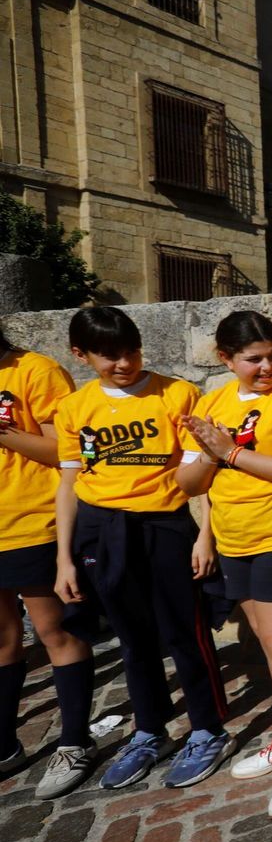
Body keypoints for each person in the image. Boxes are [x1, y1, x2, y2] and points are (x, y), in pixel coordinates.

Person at [53, 307, 234, 789]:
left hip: (164, 525)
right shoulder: (75, 408)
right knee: (132, 640)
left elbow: (206, 474)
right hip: (100, 530)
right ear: (80, 355)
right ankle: (150, 730)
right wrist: (63, 557)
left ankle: (207, 730)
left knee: (185, 633)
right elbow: (70, 481)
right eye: (109, 356)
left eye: (131, 352)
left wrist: (205, 534)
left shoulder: (177, 394)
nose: (123, 364)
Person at [177, 311, 272, 817]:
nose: (267, 367)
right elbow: (190, 484)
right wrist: (209, 453)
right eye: (253, 359)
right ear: (226, 359)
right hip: (235, 538)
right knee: (268, 641)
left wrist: (231, 453)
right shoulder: (212, 403)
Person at [0, 325, 97, 799]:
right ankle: (4, 744)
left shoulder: (34, 370)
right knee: (2, 639)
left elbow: (65, 451)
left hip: (30, 522)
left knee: (56, 633)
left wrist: (5, 433)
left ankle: (75, 743)